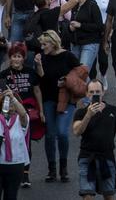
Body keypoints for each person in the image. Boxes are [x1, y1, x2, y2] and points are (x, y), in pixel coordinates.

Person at [37, 29, 82, 182]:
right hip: (49, 98)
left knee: (62, 132)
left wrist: (67, 81)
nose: (42, 47)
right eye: (41, 45)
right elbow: (41, 79)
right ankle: (51, 169)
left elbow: (81, 72)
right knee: (50, 134)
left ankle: (63, 167)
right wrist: (38, 65)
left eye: (45, 44)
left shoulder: (68, 56)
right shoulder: (43, 57)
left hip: (66, 99)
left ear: (53, 42)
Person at [0, 84, 30, 196]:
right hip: (0, 162)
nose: (10, 105)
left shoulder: (21, 119)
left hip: (16, 164)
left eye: (13, 103)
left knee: (11, 195)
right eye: (6, 103)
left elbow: (23, 113)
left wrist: (13, 97)